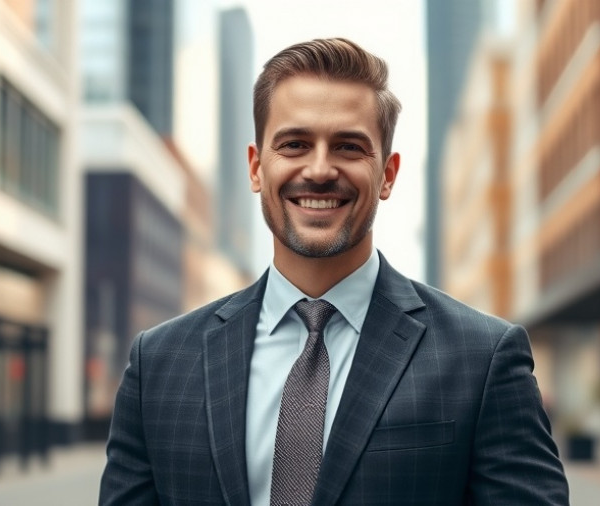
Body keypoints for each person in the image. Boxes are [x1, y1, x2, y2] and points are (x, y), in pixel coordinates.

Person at [99, 38, 569, 506]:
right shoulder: (158, 365)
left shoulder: (483, 359)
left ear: (387, 174)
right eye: (295, 144)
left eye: (348, 146)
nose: (320, 169)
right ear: (256, 168)